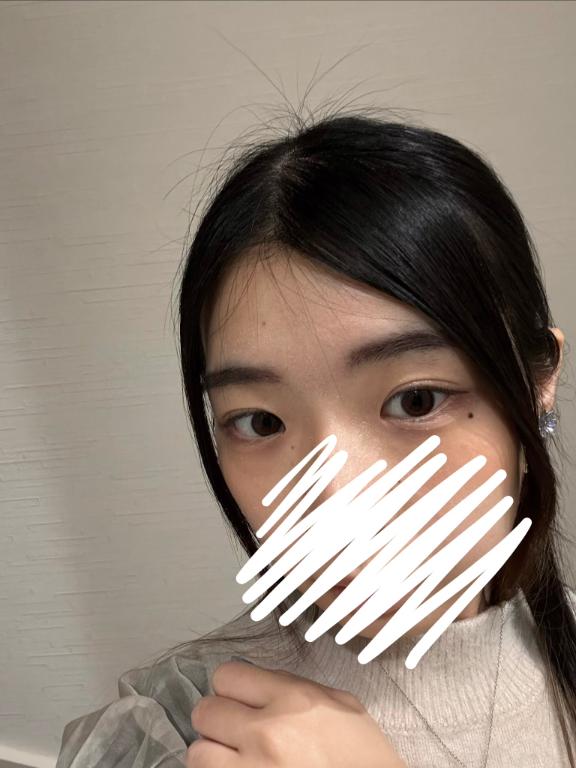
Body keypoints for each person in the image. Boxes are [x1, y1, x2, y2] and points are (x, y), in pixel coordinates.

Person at [55, 108, 576, 768]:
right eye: (261, 422)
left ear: (536, 383)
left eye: (415, 400)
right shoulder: (177, 727)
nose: (336, 505)